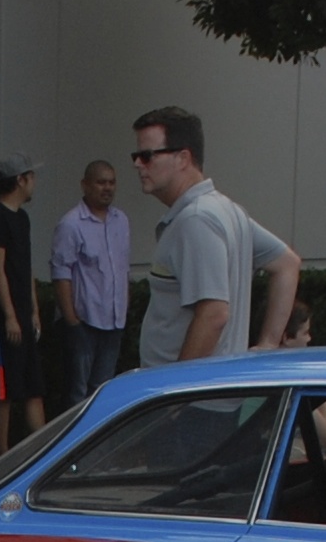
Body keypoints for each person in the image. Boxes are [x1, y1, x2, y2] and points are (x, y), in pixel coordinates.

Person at [132, 105, 301, 368]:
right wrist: (268, 344)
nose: (137, 164)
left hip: (191, 390)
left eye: (146, 156)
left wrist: (177, 386)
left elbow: (213, 314)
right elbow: (287, 263)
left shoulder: (196, 219)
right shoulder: (226, 211)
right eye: (136, 156)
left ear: (183, 158)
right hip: (212, 385)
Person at [49, 158, 131, 407]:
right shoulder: (71, 224)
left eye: (112, 183)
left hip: (114, 323)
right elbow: (61, 273)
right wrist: (72, 321)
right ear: (85, 185)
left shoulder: (121, 220)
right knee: (77, 394)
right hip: (84, 323)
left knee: (103, 392)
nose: (108, 188)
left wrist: (124, 308)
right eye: (101, 182)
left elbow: (123, 268)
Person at [0, 158, 45, 453]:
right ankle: (1, 456)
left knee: (33, 386)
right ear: (20, 180)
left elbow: (25, 266)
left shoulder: (23, 219)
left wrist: (33, 309)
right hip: (2, 321)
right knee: (4, 390)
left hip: (24, 316)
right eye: (32, 176)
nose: (34, 183)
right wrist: (9, 315)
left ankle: (44, 451)